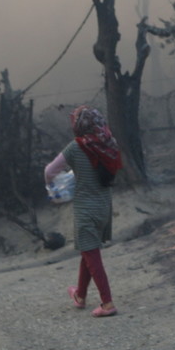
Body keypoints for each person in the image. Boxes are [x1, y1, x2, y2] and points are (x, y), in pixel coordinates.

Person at [44, 105, 122, 318]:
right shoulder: (109, 143)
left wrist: (52, 186)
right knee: (88, 250)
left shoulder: (75, 147)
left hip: (85, 208)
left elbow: (50, 171)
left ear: (79, 125)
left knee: (92, 254)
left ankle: (107, 303)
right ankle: (80, 295)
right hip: (104, 206)